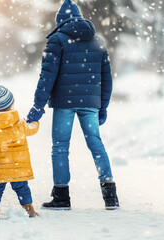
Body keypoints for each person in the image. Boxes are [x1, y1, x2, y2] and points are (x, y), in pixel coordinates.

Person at [26, 0, 119, 210]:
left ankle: (61, 197)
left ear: (60, 21)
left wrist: (37, 107)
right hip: (90, 102)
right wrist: (102, 106)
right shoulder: (98, 41)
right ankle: (110, 195)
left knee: (60, 147)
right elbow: (107, 79)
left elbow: (46, 78)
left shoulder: (57, 40)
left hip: (64, 102)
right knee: (96, 144)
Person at [0, 85, 40, 218]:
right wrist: (35, 121)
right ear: (12, 104)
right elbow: (32, 129)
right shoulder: (21, 123)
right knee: (22, 188)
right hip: (19, 167)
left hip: (1, 168)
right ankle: (29, 210)